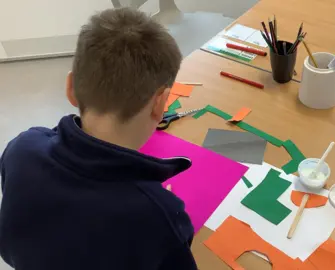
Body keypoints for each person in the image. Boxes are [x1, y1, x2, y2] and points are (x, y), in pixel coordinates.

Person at [0, 8, 197, 270]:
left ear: (70, 87)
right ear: (160, 103)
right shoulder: (159, 216)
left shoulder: (21, 148)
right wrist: (160, 204)